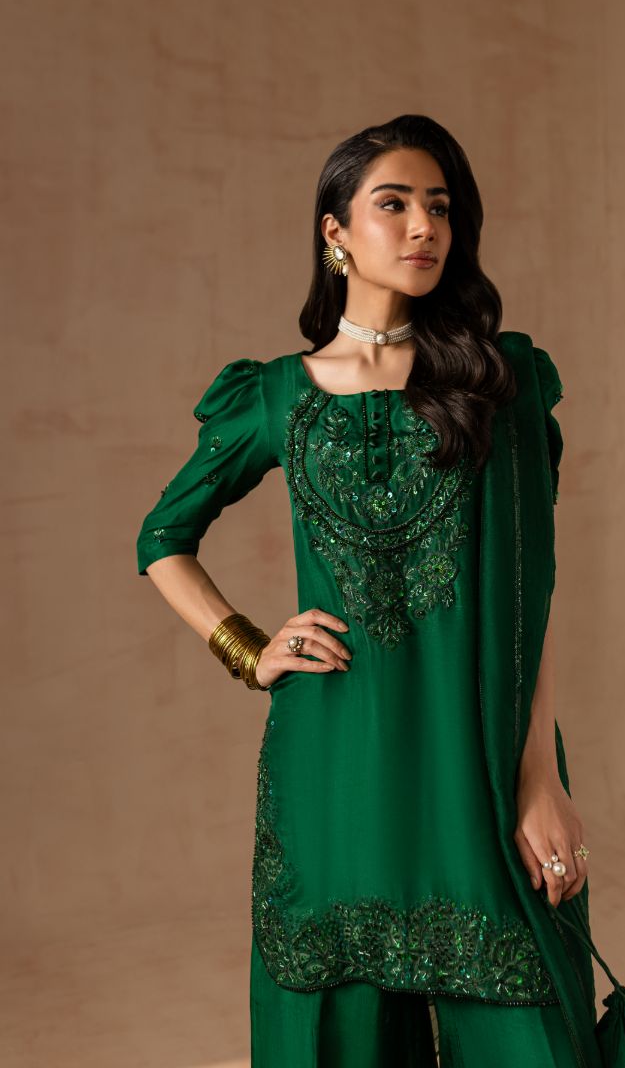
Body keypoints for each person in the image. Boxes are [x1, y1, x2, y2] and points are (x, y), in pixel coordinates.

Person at [136, 114, 596, 1068]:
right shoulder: (277, 394)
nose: (425, 226)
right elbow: (162, 539)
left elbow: (533, 594)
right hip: (333, 769)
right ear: (335, 230)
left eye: (441, 207)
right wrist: (248, 648)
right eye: (394, 204)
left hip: (475, 761)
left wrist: (540, 778)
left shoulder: (501, 381)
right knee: (335, 1031)